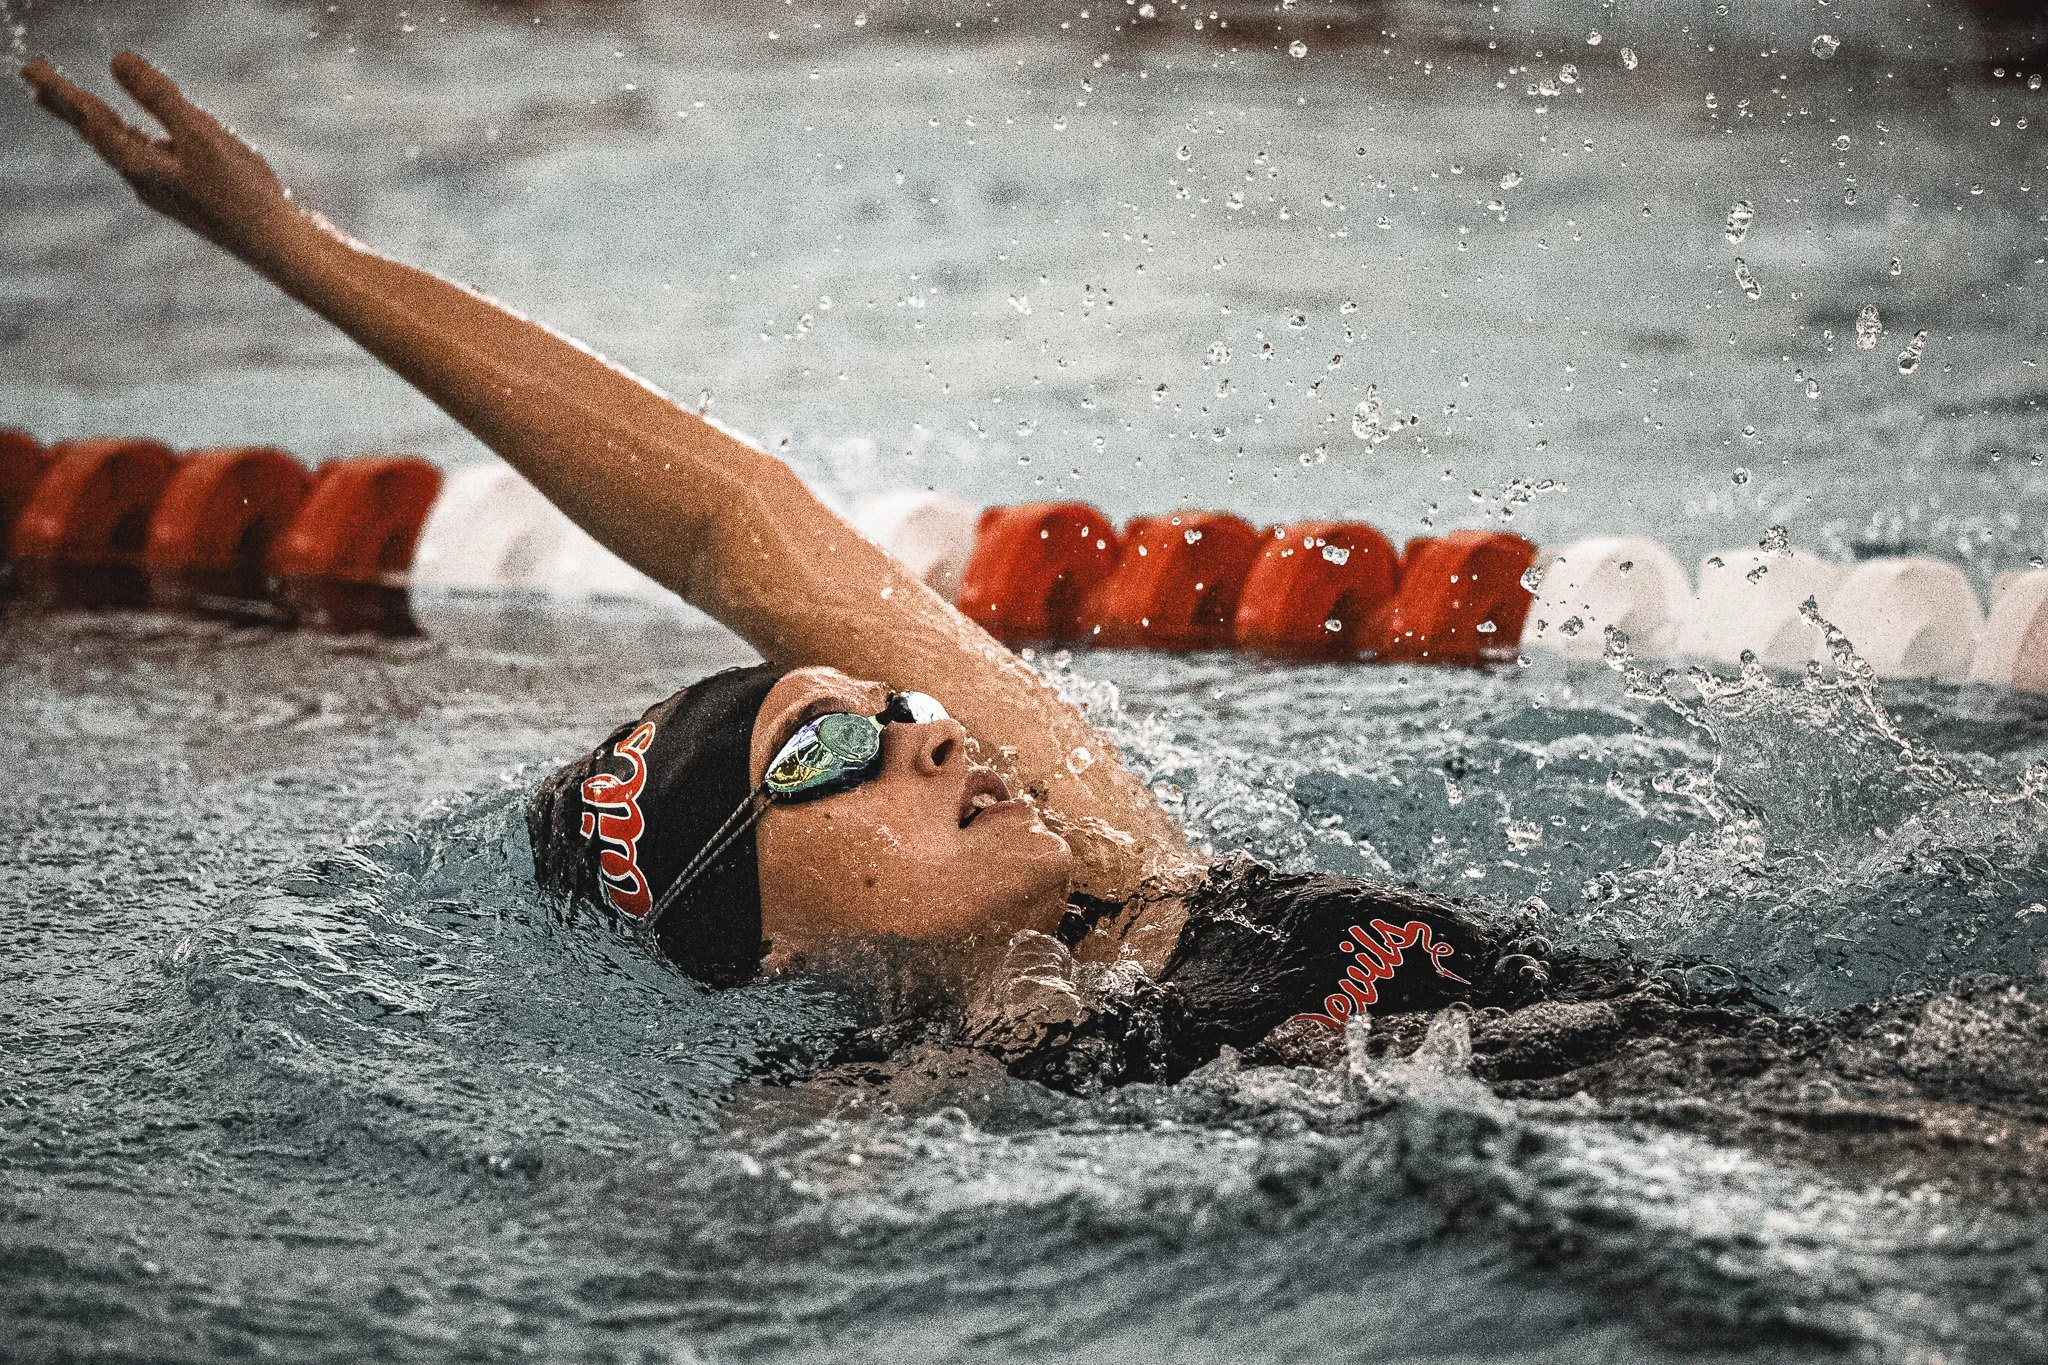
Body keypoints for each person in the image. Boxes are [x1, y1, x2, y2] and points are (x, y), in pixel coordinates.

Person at [22, 54, 1699, 1091]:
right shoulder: (925, 1105)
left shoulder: (1126, 870)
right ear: (752, 941)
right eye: (825, 755)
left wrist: (299, 251)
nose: (929, 727)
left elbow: (731, 524)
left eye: (889, 705)